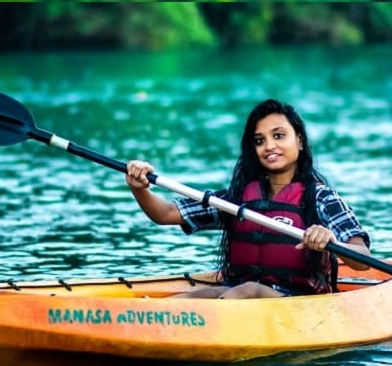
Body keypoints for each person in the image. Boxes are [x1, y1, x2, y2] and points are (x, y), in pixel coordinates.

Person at [125, 99, 371, 299]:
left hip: (297, 301)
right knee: (205, 294)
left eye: (279, 136)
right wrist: (140, 188)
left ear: (300, 141)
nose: (269, 146)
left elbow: (363, 259)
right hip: (235, 294)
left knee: (247, 290)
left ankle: (201, 326)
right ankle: (150, 318)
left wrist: (330, 240)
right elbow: (166, 214)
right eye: (259, 140)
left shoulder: (322, 198)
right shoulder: (236, 199)